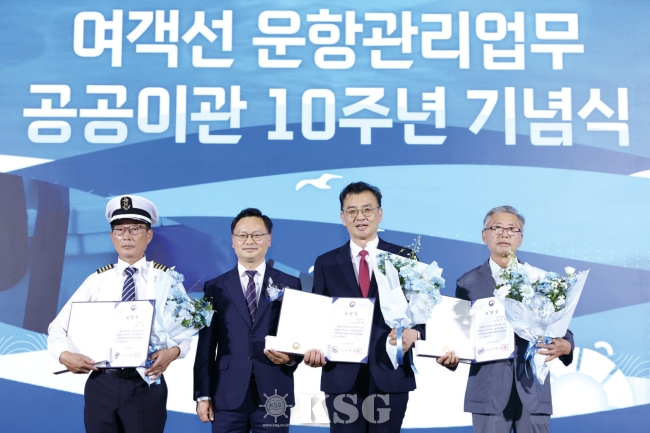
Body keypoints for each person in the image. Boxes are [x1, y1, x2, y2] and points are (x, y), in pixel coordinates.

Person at [47, 195, 192, 433]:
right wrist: (63, 355)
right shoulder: (96, 281)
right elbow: (58, 327)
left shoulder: (167, 280)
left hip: (146, 382)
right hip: (102, 383)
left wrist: (173, 352)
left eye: (135, 229)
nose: (127, 236)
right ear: (111, 236)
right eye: (120, 229)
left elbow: (186, 332)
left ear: (149, 235)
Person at [437, 205, 574, 433]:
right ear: (484, 236)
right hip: (487, 391)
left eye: (512, 229)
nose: (504, 234)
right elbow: (459, 334)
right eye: (496, 228)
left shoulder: (540, 280)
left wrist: (567, 345)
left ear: (520, 238)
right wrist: (451, 356)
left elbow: (559, 325)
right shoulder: (467, 283)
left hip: (532, 389)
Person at [304, 181, 424, 433]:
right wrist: (312, 347)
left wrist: (416, 332)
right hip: (341, 375)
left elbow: (423, 309)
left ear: (379, 214)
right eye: (352, 211)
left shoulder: (404, 258)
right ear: (342, 218)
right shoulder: (326, 262)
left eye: (367, 210)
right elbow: (318, 314)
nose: (360, 217)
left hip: (389, 370)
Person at [193, 208, 302, 433]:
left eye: (257, 235)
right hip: (226, 394)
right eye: (242, 235)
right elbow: (205, 347)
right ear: (233, 241)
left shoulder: (291, 284)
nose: (249, 241)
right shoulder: (215, 287)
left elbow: (298, 336)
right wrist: (202, 395)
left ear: (269, 239)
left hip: (274, 391)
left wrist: (291, 358)